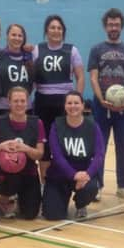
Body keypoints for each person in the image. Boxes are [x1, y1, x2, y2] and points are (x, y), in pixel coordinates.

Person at [88, 8, 124, 201]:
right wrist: (101, 100)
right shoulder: (96, 49)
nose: (113, 27)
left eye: (117, 24)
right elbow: (93, 77)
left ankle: (123, 186)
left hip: (123, 108)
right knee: (100, 146)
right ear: (105, 26)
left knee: (123, 145)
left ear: (121, 26)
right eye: (110, 24)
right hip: (102, 106)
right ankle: (97, 185)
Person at [32, 15, 85, 181]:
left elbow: (80, 77)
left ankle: (68, 179)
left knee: (66, 142)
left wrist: (77, 100)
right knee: (45, 144)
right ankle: (45, 183)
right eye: (52, 27)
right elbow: (32, 78)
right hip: (42, 102)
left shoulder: (72, 50)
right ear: (46, 31)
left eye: (59, 28)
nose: (56, 31)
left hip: (64, 103)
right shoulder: (37, 49)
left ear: (63, 31)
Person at [42, 91, 104, 220]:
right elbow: (57, 156)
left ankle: (80, 204)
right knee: (53, 215)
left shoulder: (92, 126)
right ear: (64, 106)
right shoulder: (56, 125)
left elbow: (99, 155)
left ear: (82, 105)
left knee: (91, 188)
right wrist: (73, 175)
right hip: (60, 174)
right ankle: (60, 198)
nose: (73, 106)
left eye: (76, 103)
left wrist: (87, 175)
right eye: (69, 103)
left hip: (84, 173)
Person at [0, 87, 45, 219]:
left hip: (29, 173)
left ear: (28, 102)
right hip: (6, 174)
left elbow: (39, 154)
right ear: (9, 102)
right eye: (16, 101)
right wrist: (0, 147)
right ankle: (5, 198)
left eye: (22, 101)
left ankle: (20, 198)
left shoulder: (37, 123)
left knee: (30, 215)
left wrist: (25, 148)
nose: (19, 104)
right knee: (11, 170)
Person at [0, 24, 34, 117]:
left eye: (20, 36)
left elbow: (34, 80)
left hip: (25, 108)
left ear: (24, 38)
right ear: (7, 36)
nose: (17, 38)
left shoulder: (30, 56)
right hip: (2, 108)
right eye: (13, 35)